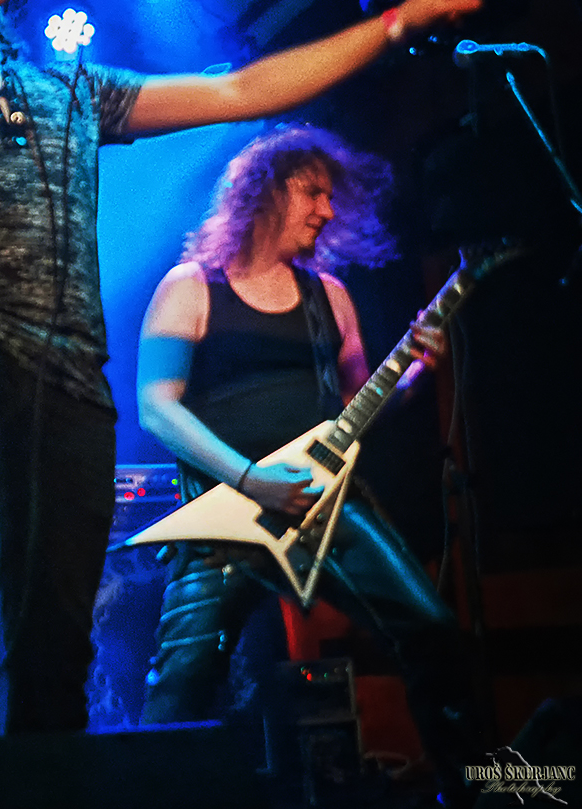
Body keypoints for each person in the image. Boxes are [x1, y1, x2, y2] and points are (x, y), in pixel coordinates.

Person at [0, 0, 483, 770]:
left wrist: (398, 22)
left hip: (62, 383)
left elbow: (240, 92)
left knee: (54, 669)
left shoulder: (70, 91)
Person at [136, 125, 477, 804]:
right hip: (226, 518)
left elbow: (355, 411)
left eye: (330, 196)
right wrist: (250, 478)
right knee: (183, 685)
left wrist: (412, 377)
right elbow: (157, 407)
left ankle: (465, 789)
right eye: (313, 192)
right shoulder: (191, 287)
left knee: (433, 630)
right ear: (264, 191)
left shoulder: (330, 296)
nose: (327, 209)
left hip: (326, 505)